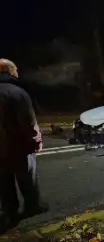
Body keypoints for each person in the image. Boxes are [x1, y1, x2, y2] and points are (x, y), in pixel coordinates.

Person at [0, 59, 48, 234]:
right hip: (19, 146)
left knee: (4, 182)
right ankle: (33, 206)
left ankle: (10, 211)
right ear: (10, 71)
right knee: (27, 178)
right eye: (16, 69)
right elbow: (28, 122)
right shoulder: (18, 93)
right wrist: (36, 142)